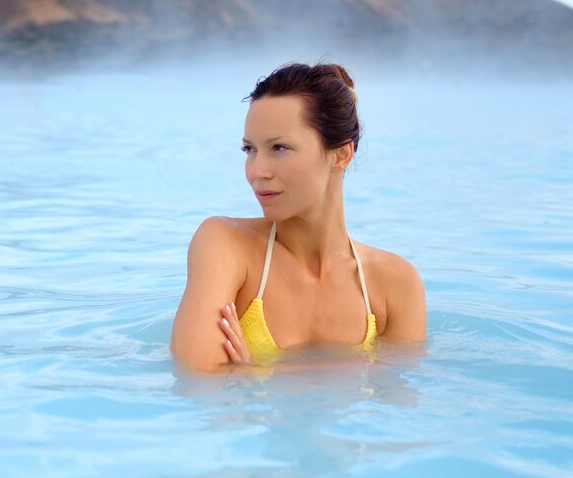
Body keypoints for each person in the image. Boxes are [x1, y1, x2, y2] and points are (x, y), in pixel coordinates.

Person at [170, 61, 426, 374]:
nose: (256, 171)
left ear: (341, 154)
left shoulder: (394, 284)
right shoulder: (224, 244)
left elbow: (400, 410)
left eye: (279, 147)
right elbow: (195, 381)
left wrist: (255, 371)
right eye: (249, 149)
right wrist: (343, 371)